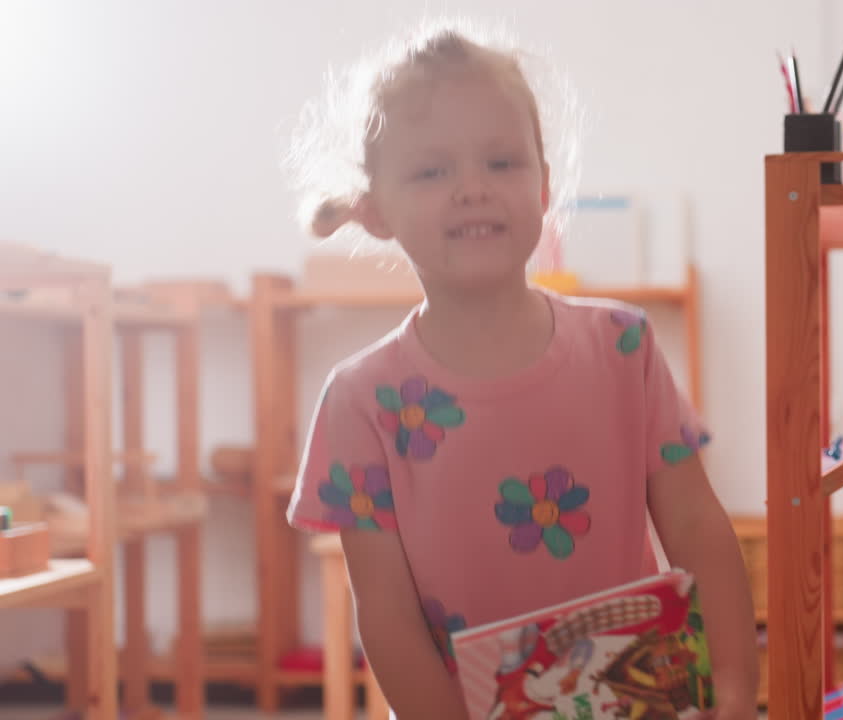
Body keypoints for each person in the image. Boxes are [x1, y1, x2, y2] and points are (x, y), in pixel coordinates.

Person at [284, 19, 758, 719]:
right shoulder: (361, 400)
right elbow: (384, 616)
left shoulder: (622, 347)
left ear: (543, 186)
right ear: (375, 210)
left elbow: (698, 530)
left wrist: (739, 689)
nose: (472, 188)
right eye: (432, 170)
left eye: (502, 162)